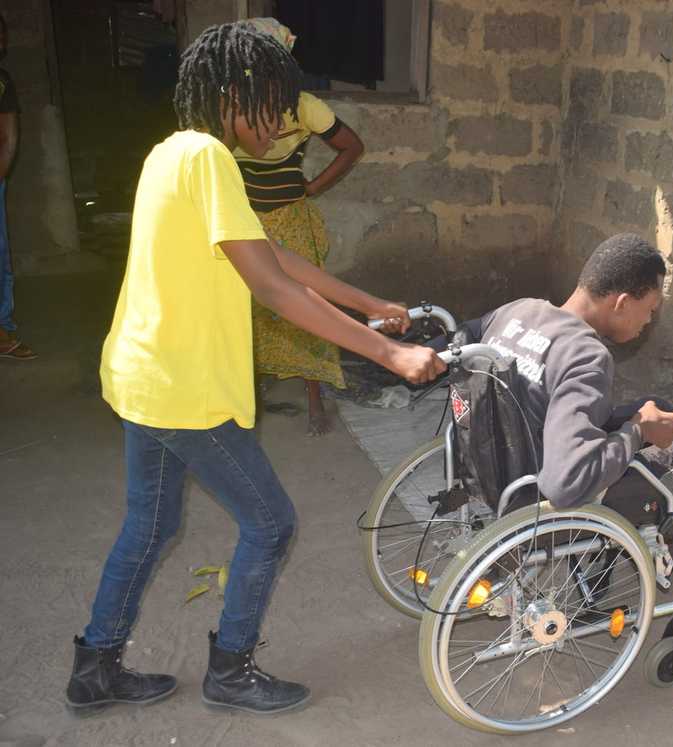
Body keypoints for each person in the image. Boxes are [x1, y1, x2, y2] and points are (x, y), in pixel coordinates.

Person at [65, 22, 445, 715]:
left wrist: (373, 304)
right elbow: (271, 287)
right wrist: (387, 351)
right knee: (270, 523)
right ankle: (232, 669)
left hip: (141, 378)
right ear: (236, 96)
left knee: (147, 527)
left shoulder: (171, 154)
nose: (282, 123)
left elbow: (270, 255)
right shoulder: (209, 160)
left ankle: (95, 665)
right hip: (182, 390)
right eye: (273, 103)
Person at [476, 233, 673, 619]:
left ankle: (664, 538)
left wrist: (641, 421)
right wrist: (636, 432)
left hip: (500, 472)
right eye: (649, 310)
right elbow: (568, 484)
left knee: (659, 410)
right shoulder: (586, 357)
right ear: (621, 303)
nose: (649, 322)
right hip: (551, 506)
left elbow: (459, 345)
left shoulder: (517, 312)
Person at [234, 18, 364, 435]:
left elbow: (351, 146)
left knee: (305, 304)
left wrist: (313, 187)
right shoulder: (229, 108)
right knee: (245, 308)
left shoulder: (305, 106)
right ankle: (248, 388)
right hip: (243, 222)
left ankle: (314, 397)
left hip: (290, 218)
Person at [0, 13, 35, 361]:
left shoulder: (2, 81)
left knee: (0, 257)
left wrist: (1, 173)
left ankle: (3, 328)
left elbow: (9, 136)